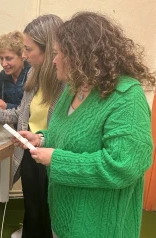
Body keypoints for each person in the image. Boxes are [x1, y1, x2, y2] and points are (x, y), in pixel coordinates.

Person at [16, 12, 154, 238]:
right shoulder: (74, 89)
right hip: (64, 220)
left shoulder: (126, 97)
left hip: (99, 226)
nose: (53, 60)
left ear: (80, 56)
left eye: (58, 54)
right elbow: (70, 136)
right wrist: (41, 139)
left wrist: (57, 160)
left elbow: (123, 166)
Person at [0, 15, 64, 238]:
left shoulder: (64, 82)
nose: (25, 55)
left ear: (48, 49)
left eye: (27, 50)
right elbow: (19, 113)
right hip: (30, 149)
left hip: (52, 152)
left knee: (50, 209)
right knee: (33, 203)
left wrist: (42, 139)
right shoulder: (33, 74)